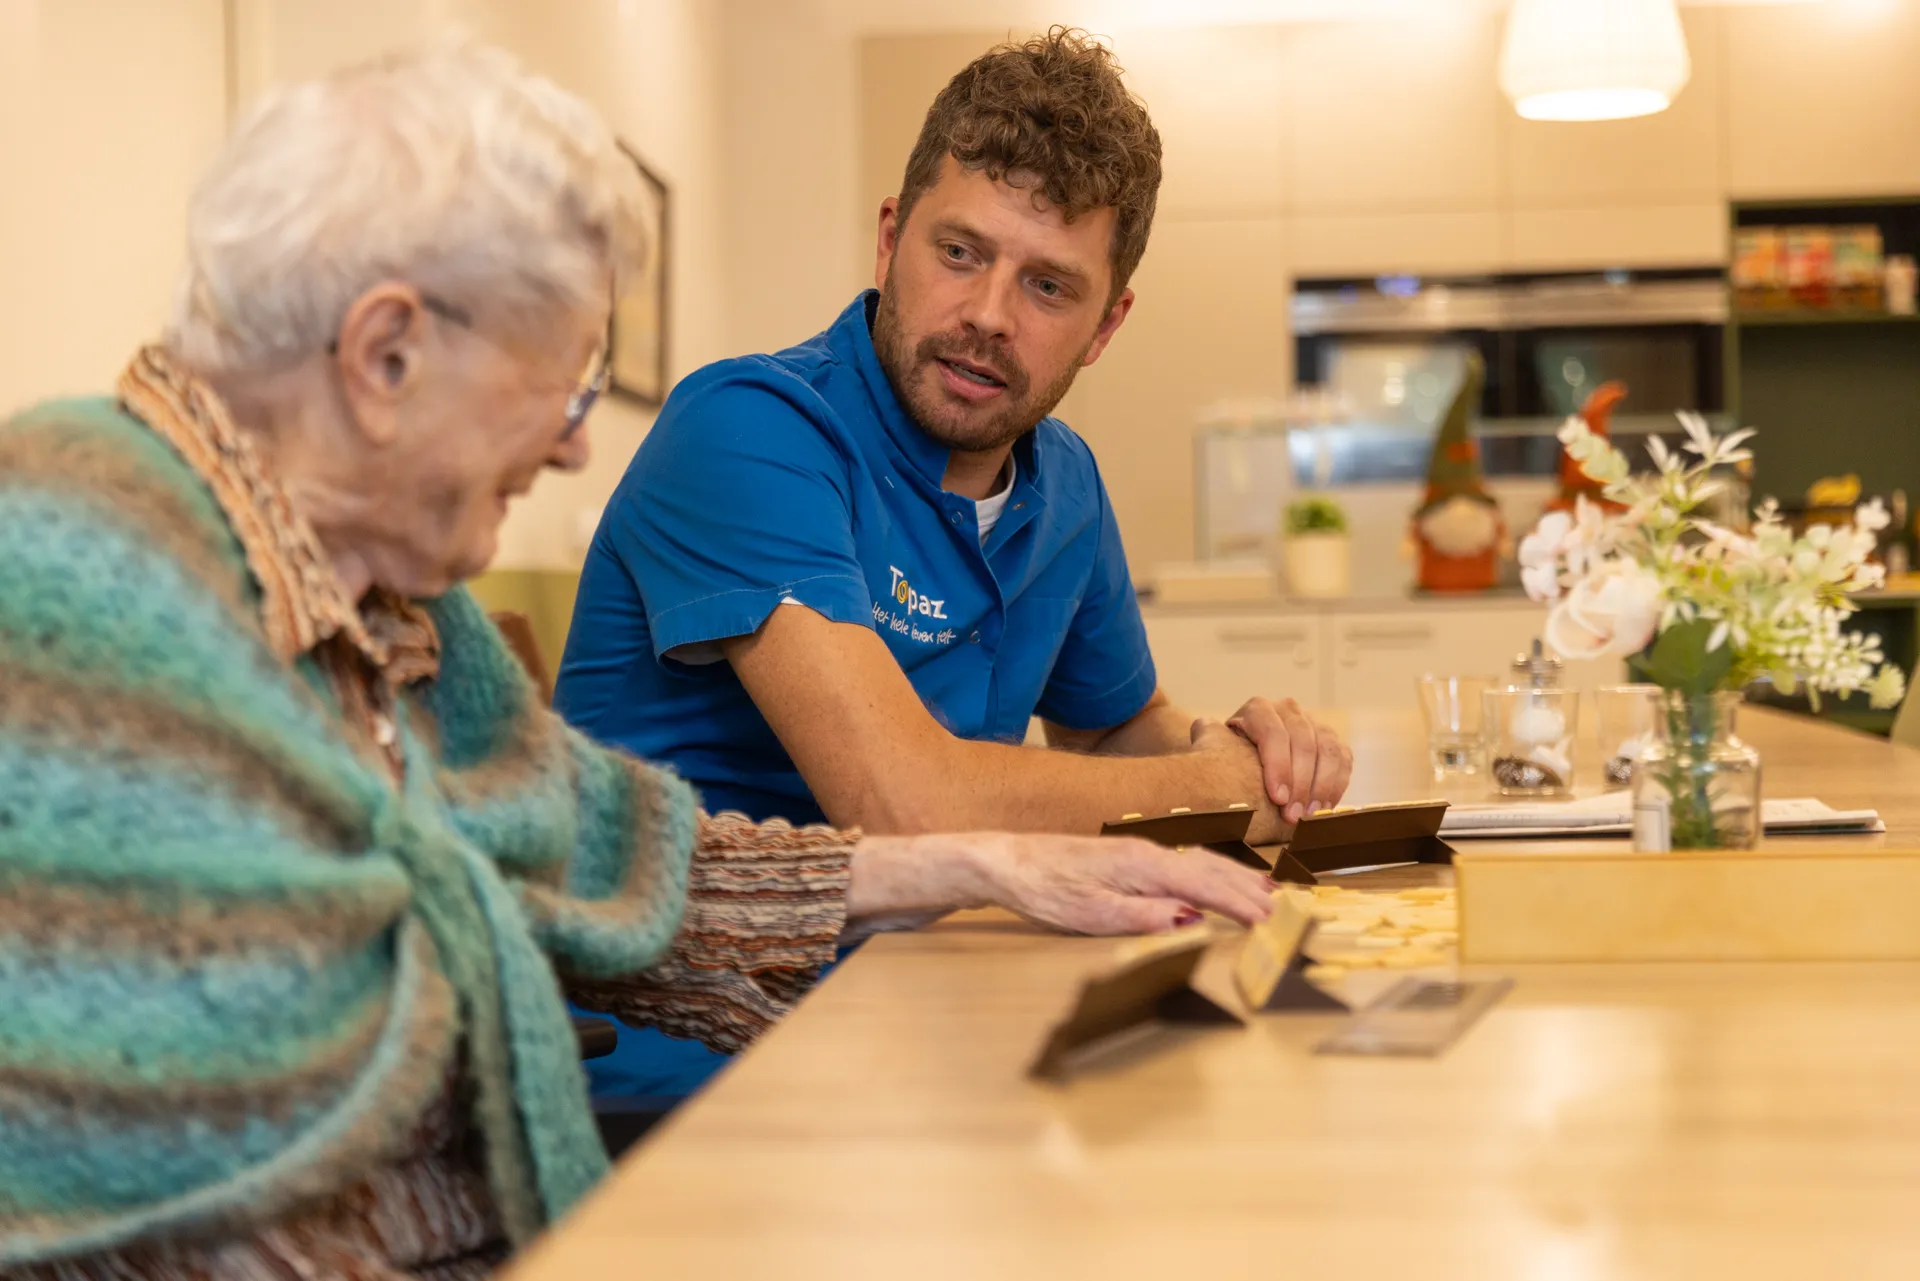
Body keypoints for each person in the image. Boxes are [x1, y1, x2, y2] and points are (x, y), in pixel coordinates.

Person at [0, 44, 1279, 1280]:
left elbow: (609, 855)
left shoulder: (400, 603)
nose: (571, 453)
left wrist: (967, 859)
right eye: (562, 391)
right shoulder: (81, 549)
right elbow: (165, 1185)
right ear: (386, 358)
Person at [553, 28, 1352, 1103]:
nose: (986, 316)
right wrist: (1216, 789)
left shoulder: (1063, 482)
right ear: (890, 240)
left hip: (942, 993)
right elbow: (905, 803)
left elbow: (1115, 727)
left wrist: (1249, 747)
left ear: (1106, 325)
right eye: (960, 252)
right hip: (705, 1055)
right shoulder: (748, 429)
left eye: (1049, 287)